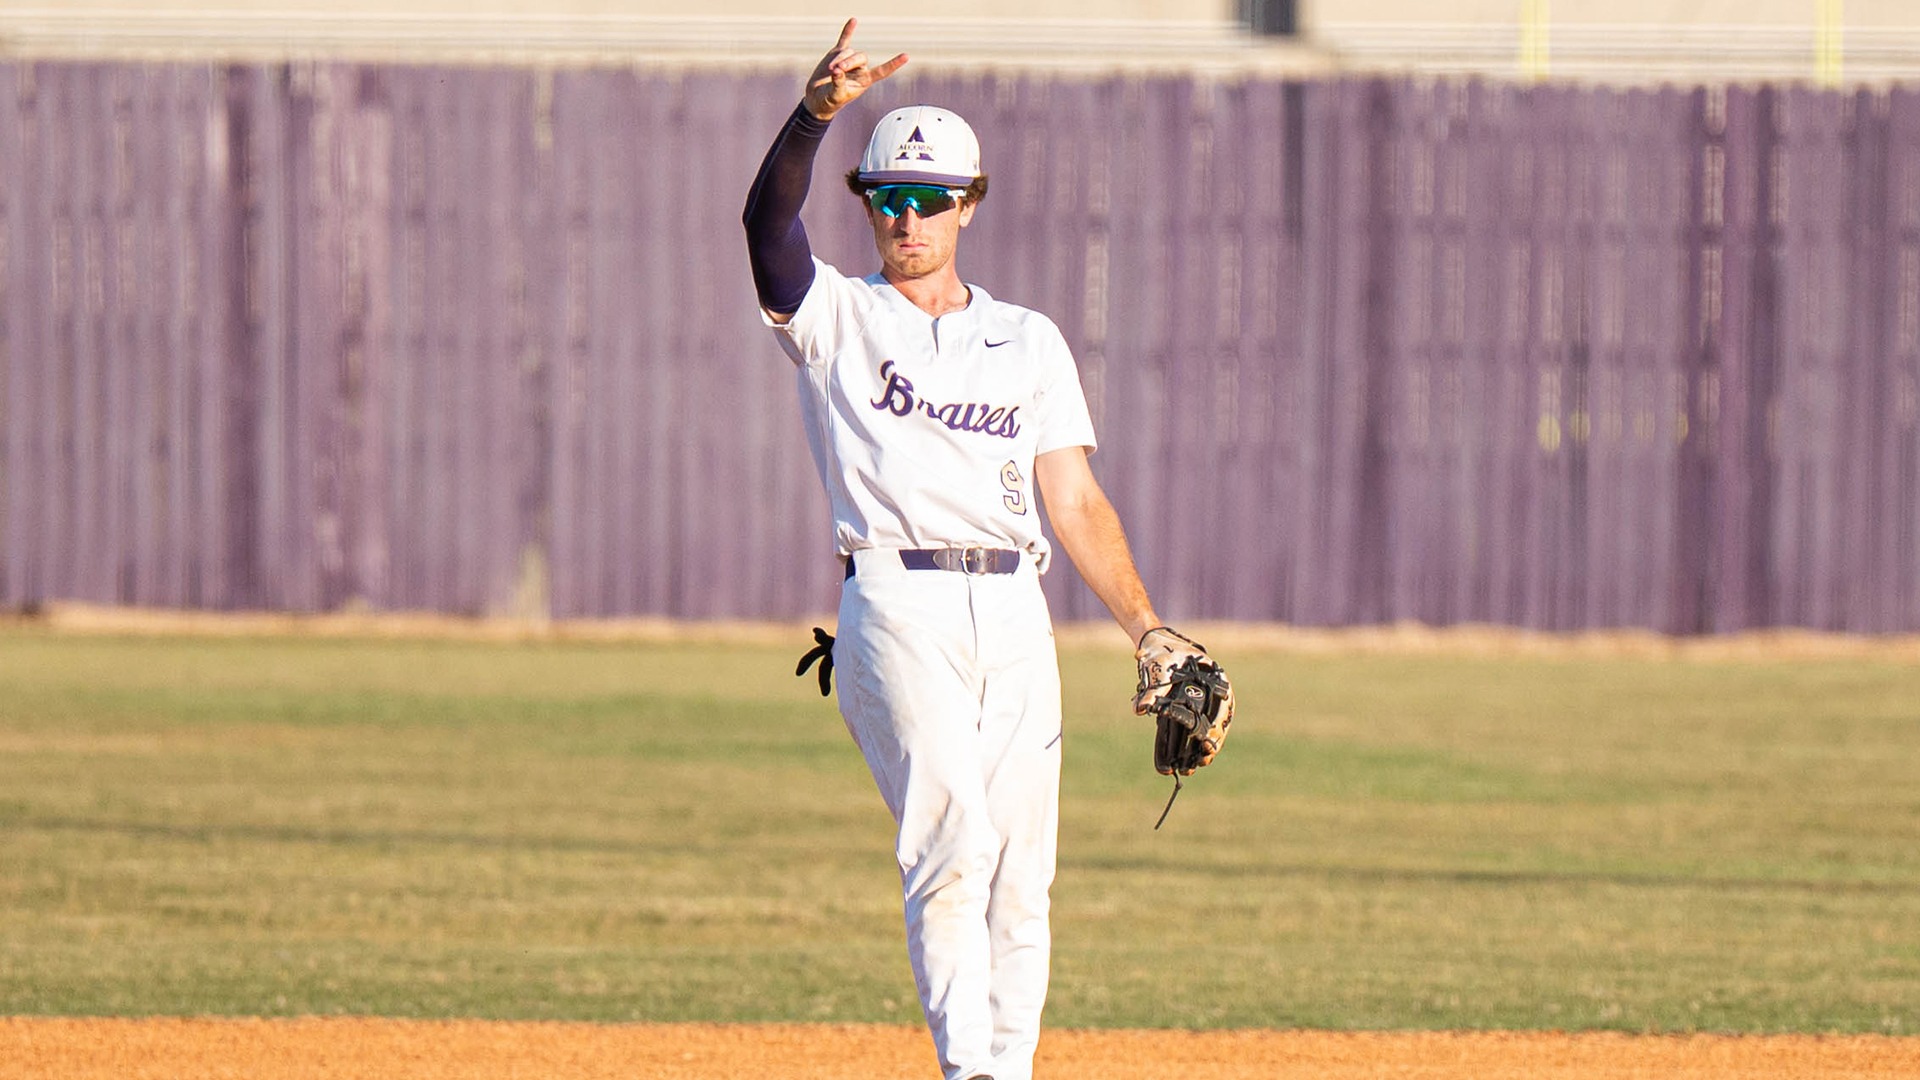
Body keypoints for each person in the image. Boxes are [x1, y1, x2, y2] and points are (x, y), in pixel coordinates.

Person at [741, 19, 1222, 1080]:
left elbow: (1075, 500)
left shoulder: (1028, 339)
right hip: (895, 601)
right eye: (887, 197)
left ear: (968, 204)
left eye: (929, 197)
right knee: (952, 845)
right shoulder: (836, 317)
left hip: (1013, 609)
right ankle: (971, 1071)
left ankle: (1008, 1067)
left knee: (1020, 874)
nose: (906, 217)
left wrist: (1148, 629)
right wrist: (813, 118)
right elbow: (767, 226)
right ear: (866, 202)